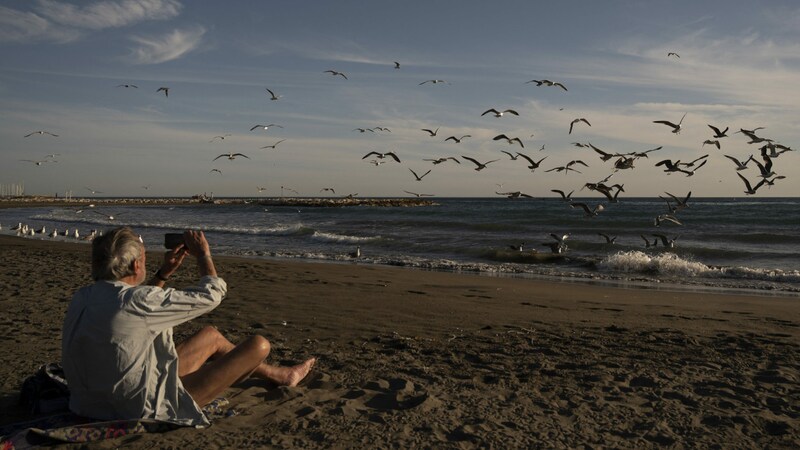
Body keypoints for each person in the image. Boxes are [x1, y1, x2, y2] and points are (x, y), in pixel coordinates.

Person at [61, 227, 315, 426]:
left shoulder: (82, 297)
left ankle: (282, 375)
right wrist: (203, 254)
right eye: (144, 260)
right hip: (138, 408)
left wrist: (163, 274)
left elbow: (133, 311)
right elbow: (213, 293)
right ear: (136, 265)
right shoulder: (138, 301)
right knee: (259, 345)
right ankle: (279, 374)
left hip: (85, 403)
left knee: (211, 336)